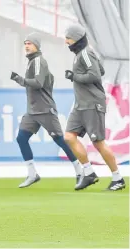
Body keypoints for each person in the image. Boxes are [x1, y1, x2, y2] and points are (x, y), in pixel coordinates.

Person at [10, 32, 82, 188]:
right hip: (33, 111)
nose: (27, 46)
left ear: (36, 45)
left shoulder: (38, 61)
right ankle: (32, 174)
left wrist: (19, 80)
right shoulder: (32, 62)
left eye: (29, 43)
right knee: (21, 138)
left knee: (60, 141)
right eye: (25, 43)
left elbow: (38, 83)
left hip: (44, 109)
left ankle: (79, 171)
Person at [63, 24, 125, 191]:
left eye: (68, 38)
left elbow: (96, 74)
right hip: (80, 104)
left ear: (76, 39)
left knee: (98, 142)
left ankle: (118, 178)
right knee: (69, 137)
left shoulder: (86, 53)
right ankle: (89, 173)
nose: (66, 41)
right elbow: (101, 71)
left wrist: (75, 76)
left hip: (92, 103)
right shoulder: (82, 53)